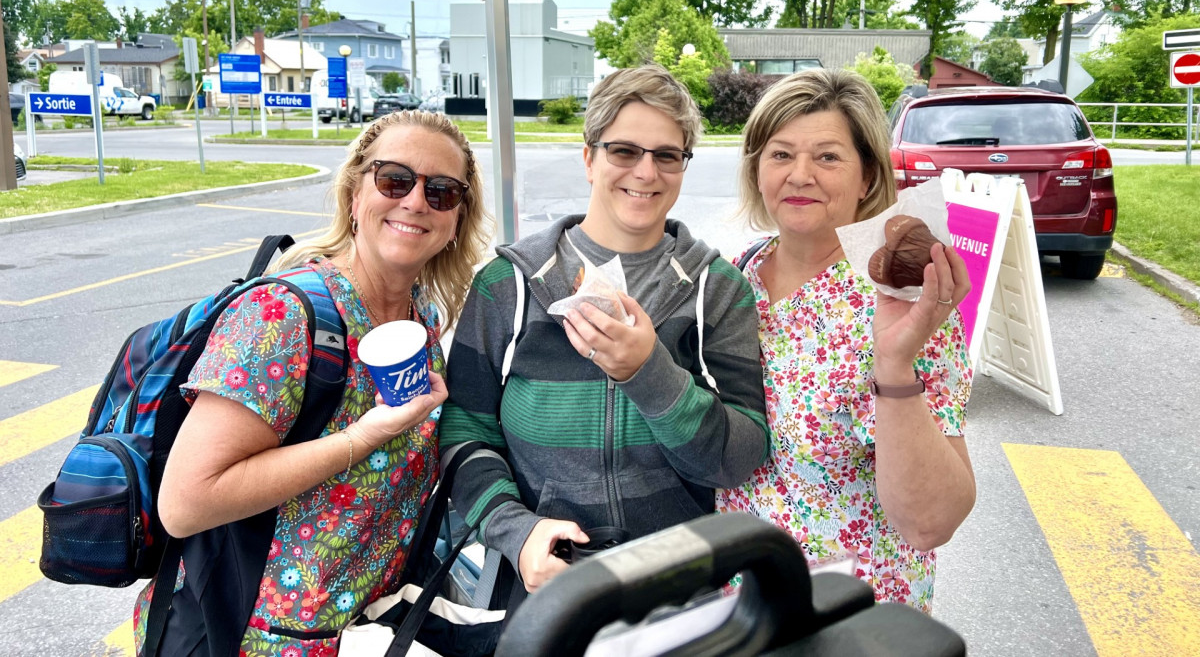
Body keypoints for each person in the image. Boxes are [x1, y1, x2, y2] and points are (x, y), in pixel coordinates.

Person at [135, 110, 492, 656]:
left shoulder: (420, 318)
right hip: (255, 636)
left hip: (365, 626)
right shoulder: (282, 314)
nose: (416, 201)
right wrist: (361, 439)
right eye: (394, 179)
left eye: (441, 192)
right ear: (355, 194)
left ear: (455, 221)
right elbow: (187, 502)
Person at [440, 63, 769, 601]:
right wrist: (517, 533)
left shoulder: (717, 288)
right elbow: (465, 430)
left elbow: (739, 456)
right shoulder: (508, 284)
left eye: (668, 155)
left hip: (679, 583)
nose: (646, 172)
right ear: (589, 158)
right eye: (624, 151)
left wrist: (648, 374)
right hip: (544, 582)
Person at [715, 69, 975, 614]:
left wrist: (895, 366)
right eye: (780, 154)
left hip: (853, 613)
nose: (800, 175)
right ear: (757, 170)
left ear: (867, 177)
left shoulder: (901, 296)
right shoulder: (739, 276)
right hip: (746, 601)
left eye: (828, 157)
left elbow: (931, 523)